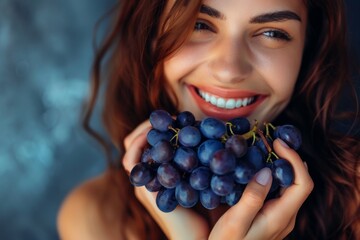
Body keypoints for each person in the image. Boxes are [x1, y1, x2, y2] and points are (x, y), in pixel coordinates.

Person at [57, 0, 360, 239]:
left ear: (307, 50)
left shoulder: (354, 198)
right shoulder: (95, 217)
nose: (229, 70)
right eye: (199, 24)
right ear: (151, 35)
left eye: (272, 33)